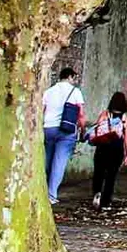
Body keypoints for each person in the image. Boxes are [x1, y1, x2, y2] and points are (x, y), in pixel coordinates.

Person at [41, 68, 85, 204]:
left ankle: (42, 190)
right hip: (67, 130)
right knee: (59, 163)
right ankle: (51, 195)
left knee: (47, 161)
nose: (75, 81)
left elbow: (41, 111)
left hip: (48, 128)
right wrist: (82, 129)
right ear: (70, 77)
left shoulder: (48, 92)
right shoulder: (75, 92)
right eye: (74, 78)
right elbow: (81, 115)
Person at [86, 92, 127, 210]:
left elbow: (98, 129)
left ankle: (97, 193)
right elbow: (126, 139)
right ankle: (106, 202)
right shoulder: (125, 120)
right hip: (117, 149)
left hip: (103, 146)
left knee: (99, 172)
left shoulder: (105, 114)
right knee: (111, 176)